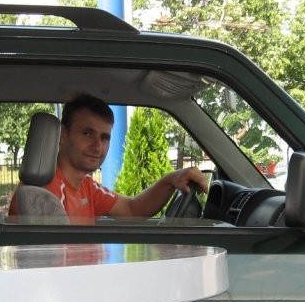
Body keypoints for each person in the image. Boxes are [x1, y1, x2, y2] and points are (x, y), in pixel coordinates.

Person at [12, 94, 207, 221]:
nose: (97, 146)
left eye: (104, 137)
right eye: (87, 133)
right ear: (63, 134)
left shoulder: (86, 186)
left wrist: (171, 179)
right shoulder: (44, 196)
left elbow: (132, 209)